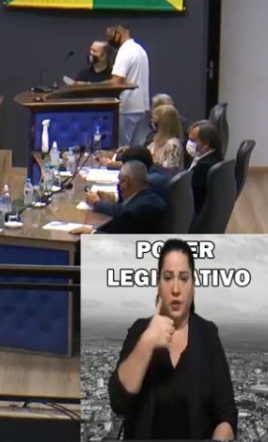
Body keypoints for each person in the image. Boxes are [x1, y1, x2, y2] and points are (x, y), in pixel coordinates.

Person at [108, 238, 237, 440]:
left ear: (193, 285)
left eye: (184, 278)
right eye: (168, 278)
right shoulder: (140, 330)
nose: (176, 289)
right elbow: (118, 403)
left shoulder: (207, 334)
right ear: (158, 285)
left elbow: (226, 414)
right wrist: (147, 342)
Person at [75, 161, 166, 234]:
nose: (118, 183)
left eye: (119, 179)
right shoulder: (152, 198)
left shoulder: (131, 213)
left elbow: (119, 245)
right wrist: (101, 202)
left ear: (125, 182)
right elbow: (120, 209)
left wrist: (92, 233)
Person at [105, 23, 151, 147]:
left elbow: (116, 81)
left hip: (127, 108)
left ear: (119, 32)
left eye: (110, 36)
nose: (109, 40)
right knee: (137, 148)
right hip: (142, 107)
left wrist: (90, 85)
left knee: (123, 149)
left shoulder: (125, 51)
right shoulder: (139, 49)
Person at [86, 146, 173, 209]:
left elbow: (126, 210)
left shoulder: (150, 182)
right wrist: (114, 198)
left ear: (135, 166)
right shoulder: (154, 171)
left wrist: (97, 204)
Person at [187, 120, 225, 215]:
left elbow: (186, 191)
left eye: (193, 140)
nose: (189, 144)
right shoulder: (216, 156)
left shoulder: (204, 168)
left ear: (206, 143)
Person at [146, 105, 185, 171]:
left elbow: (170, 170)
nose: (152, 122)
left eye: (154, 120)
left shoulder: (173, 145)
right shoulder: (153, 142)